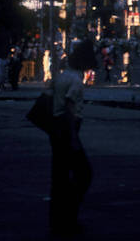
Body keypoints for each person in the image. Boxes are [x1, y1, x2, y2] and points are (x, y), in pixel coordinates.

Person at [45, 40, 94, 236]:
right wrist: (73, 138)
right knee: (84, 174)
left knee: (59, 177)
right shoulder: (75, 82)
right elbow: (69, 109)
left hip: (56, 129)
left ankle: (58, 218)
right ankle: (69, 214)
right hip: (67, 130)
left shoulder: (61, 77)